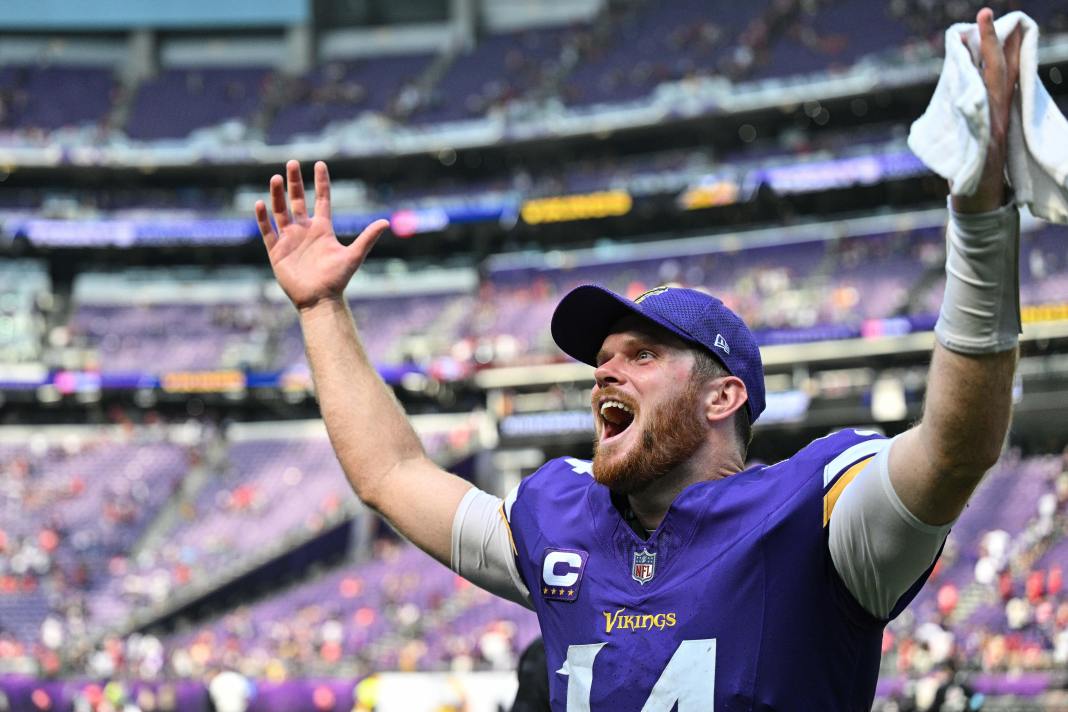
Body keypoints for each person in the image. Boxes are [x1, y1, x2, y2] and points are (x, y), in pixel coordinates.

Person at [256, 9, 1022, 709]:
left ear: (722, 397)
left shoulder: (816, 519)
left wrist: (981, 224)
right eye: (603, 358)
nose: (604, 373)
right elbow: (390, 474)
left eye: (643, 354)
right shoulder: (561, 519)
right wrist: (321, 311)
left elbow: (956, 448)